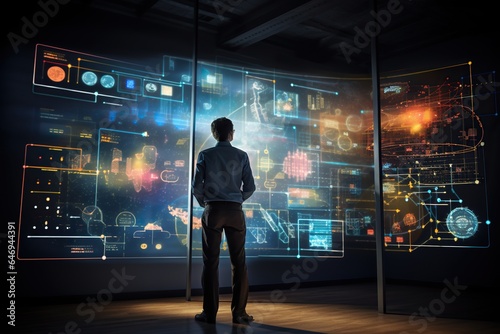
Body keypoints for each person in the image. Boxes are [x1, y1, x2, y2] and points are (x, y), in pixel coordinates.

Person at [192, 117, 256, 325]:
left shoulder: (205, 154)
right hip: (235, 211)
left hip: (213, 211)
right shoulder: (241, 155)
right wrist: (237, 199)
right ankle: (239, 313)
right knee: (239, 262)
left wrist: (205, 203)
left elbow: (197, 187)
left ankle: (209, 313)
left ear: (214, 134)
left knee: (210, 262)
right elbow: (250, 187)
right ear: (231, 133)